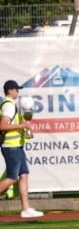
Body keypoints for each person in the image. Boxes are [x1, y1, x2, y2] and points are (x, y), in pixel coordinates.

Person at [0, 80, 43, 218]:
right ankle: (25, 209)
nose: (18, 92)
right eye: (16, 89)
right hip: (11, 146)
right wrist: (23, 125)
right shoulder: (9, 106)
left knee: (24, 175)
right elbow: (2, 126)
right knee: (12, 178)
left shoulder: (11, 105)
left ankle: (25, 209)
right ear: (10, 91)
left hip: (17, 146)